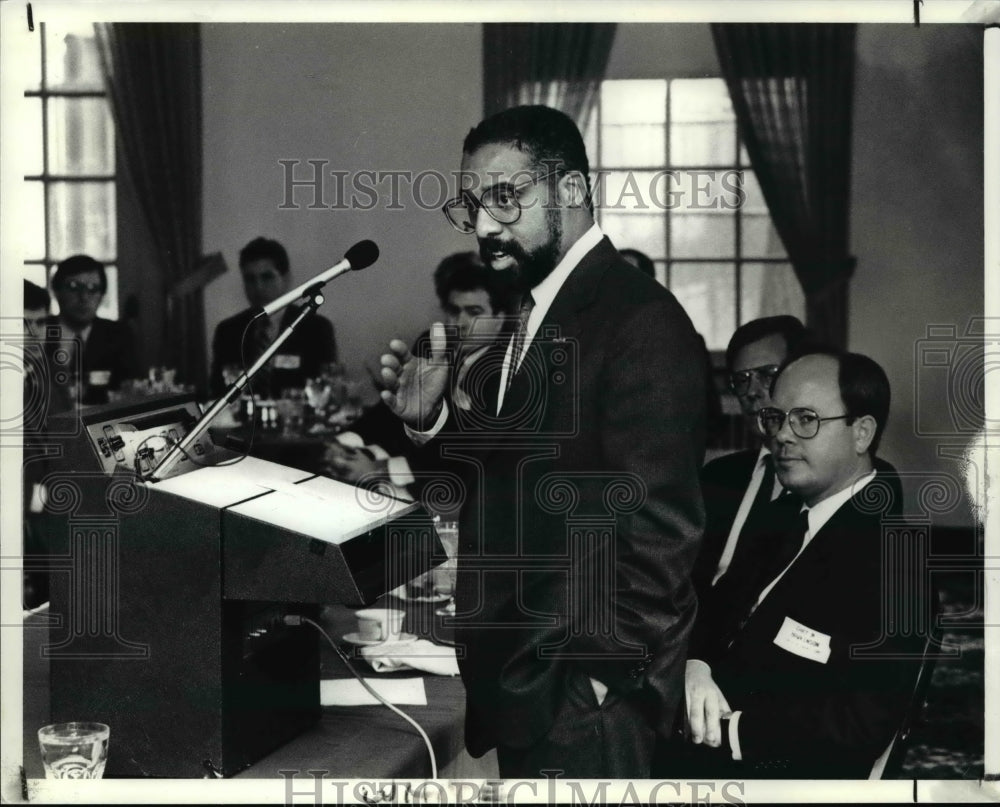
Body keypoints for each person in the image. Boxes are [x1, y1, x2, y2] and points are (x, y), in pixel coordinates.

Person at [379, 105, 706, 778]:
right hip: (528, 684)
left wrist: (600, 679)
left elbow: (661, 531)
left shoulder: (641, 320)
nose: (484, 226)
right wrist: (433, 421)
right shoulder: (535, 307)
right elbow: (516, 472)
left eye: (505, 197)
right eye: (471, 205)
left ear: (574, 192)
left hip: (582, 699)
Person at [677, 350, 925, 778]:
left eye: (806, 419)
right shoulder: (784, 514)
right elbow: (716, 607)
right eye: (776, 417)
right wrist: (695, 664)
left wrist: (730, 730)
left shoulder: (897, 559)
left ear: (862, 433)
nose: (782, 436)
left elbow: (860, 722)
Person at [324, 252, 514, 498]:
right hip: (401, 463)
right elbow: (391, 408)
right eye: (454, 311)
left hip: (452, 492)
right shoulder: (432, 343)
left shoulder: (505, 368)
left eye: (474, 312)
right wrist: (345, 441)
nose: (461, 322)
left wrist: (382, 470)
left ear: (499, 320)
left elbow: (467, 454)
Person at [690, 316, 808, 596]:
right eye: (742, 380)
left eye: (768, 375)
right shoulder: (717, 477)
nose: (753, 392)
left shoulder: (827, 479)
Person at [209, 236, 337, 398]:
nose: (258, 287)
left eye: (267, 277)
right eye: (250, 279)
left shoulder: (315, 327)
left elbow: (324, 389)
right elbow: (216, 391)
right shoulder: (227, 330)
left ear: (286, 278)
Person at [46, 255, 139, 408]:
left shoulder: (119, 335)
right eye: (74, 287)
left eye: (93, 289)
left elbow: (130, 391)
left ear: (102, 296)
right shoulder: (39, 330)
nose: (84, 297)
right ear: (56, 292)